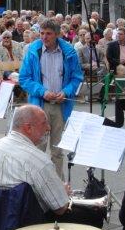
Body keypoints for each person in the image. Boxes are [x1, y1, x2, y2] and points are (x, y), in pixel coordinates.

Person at [18, 19, 83, 180]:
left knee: (57, 150)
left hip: (60, 105)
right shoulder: (33, 50)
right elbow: (24, 78)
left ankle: (58, 186)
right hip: (39, 104)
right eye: (42, 33)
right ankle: (34, 183)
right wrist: (42, 91)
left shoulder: (69, 51)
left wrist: (66, 92)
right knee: (37, 148)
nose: (44, 37)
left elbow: (77, 78)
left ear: (57, 34)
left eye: (48, 34)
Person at [0, 105, 71, 215]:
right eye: (44, 123)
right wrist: (64, 193)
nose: (48, 128)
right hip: (26, 225)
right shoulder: (40, 162)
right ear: (28, 128)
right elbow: (60, 208)